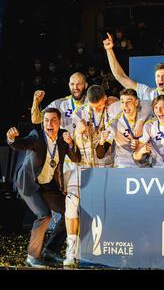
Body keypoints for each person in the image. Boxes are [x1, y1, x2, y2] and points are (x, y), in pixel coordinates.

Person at [6, 108, 81, 267]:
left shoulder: (62, 136)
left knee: (69, 212)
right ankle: (32, 256)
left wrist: (70, 143)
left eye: (53, 120)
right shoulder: (37, 136)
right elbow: (21, 144)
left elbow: (76, 158)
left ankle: (50, 250)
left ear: (59, 122)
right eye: (46, 120)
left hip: (47, 185)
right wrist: (12, 139)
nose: (49, 123)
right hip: (28, 183)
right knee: (44, 215)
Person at [62, 85, 121, 267]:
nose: (96, 109)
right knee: (71, 203)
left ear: (105, 99)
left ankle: (105, 250)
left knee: (104, 210)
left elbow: (102, 151)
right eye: (92, 106)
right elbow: (73, 150)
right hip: (82, 167)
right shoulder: (79, 114)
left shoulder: (113, 111)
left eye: (99, 105)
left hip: (105, 168)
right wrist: (77, 134)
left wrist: (114, 101)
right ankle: (71, 250)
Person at [103, 33, 164, 116]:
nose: (160, 79)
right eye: (158, 76)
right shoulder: (146, 92)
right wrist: (109, 50)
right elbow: (120, 76)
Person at [96, 89, 149, 168]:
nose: (125, 105)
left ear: (136, 102)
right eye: (122, 102)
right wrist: (101, 142)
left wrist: (141, 121)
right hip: (124, 164)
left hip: (144, 164)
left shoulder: (146, 118)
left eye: (129, 101)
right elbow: (100, 154)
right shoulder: (115, 123)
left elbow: (151, 105)